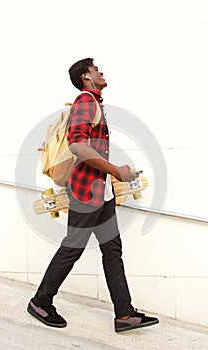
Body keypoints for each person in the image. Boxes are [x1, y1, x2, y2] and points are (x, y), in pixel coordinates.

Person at [27, 58, 159, 332]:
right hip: (86, 193)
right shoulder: (86, 101)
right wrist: (115, 170)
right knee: (72, 248)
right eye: (96, 68)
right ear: (86, 76)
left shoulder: (94, 103)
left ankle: (124, 314)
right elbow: (78, 146)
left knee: (112, 250)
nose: (101, 71)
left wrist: (113, 176)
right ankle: (41, 302)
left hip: (102, 193)